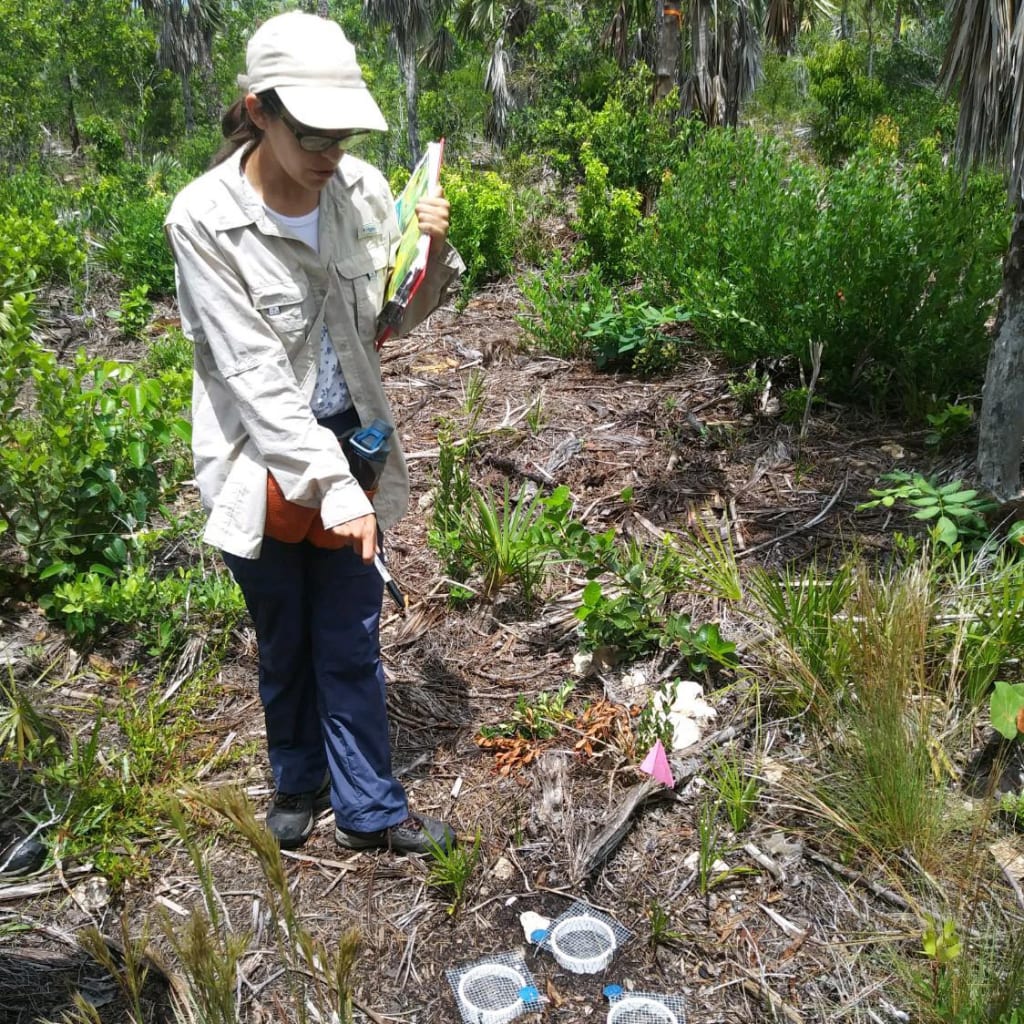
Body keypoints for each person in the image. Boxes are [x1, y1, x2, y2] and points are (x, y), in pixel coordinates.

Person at [165, 11, 463, 855]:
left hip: (350, 438)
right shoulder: (203, 220)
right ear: (258, 110)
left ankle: (370, 805)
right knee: (283, 631)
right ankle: (297, 779)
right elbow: (256, 381)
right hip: (257, 455)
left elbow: (396, 321)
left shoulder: (360, 189)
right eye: (312, 133)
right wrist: (331, 491)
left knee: (349, 630)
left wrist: (431, 255)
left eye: (343, 132)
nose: (330, 152)